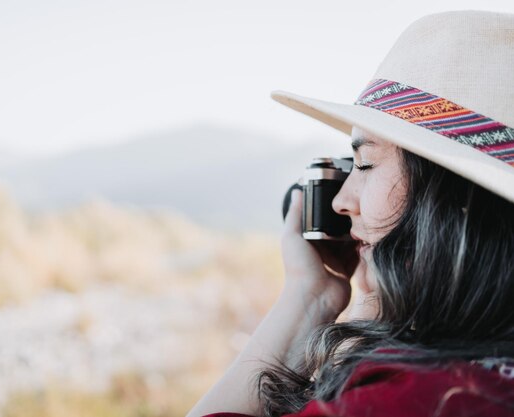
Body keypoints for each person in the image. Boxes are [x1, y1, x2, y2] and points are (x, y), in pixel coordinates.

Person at [187, 10, 514, 417]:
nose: (341, 201)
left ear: (445, 197)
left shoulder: (411, 399)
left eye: (364, 164)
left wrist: (305, 299)